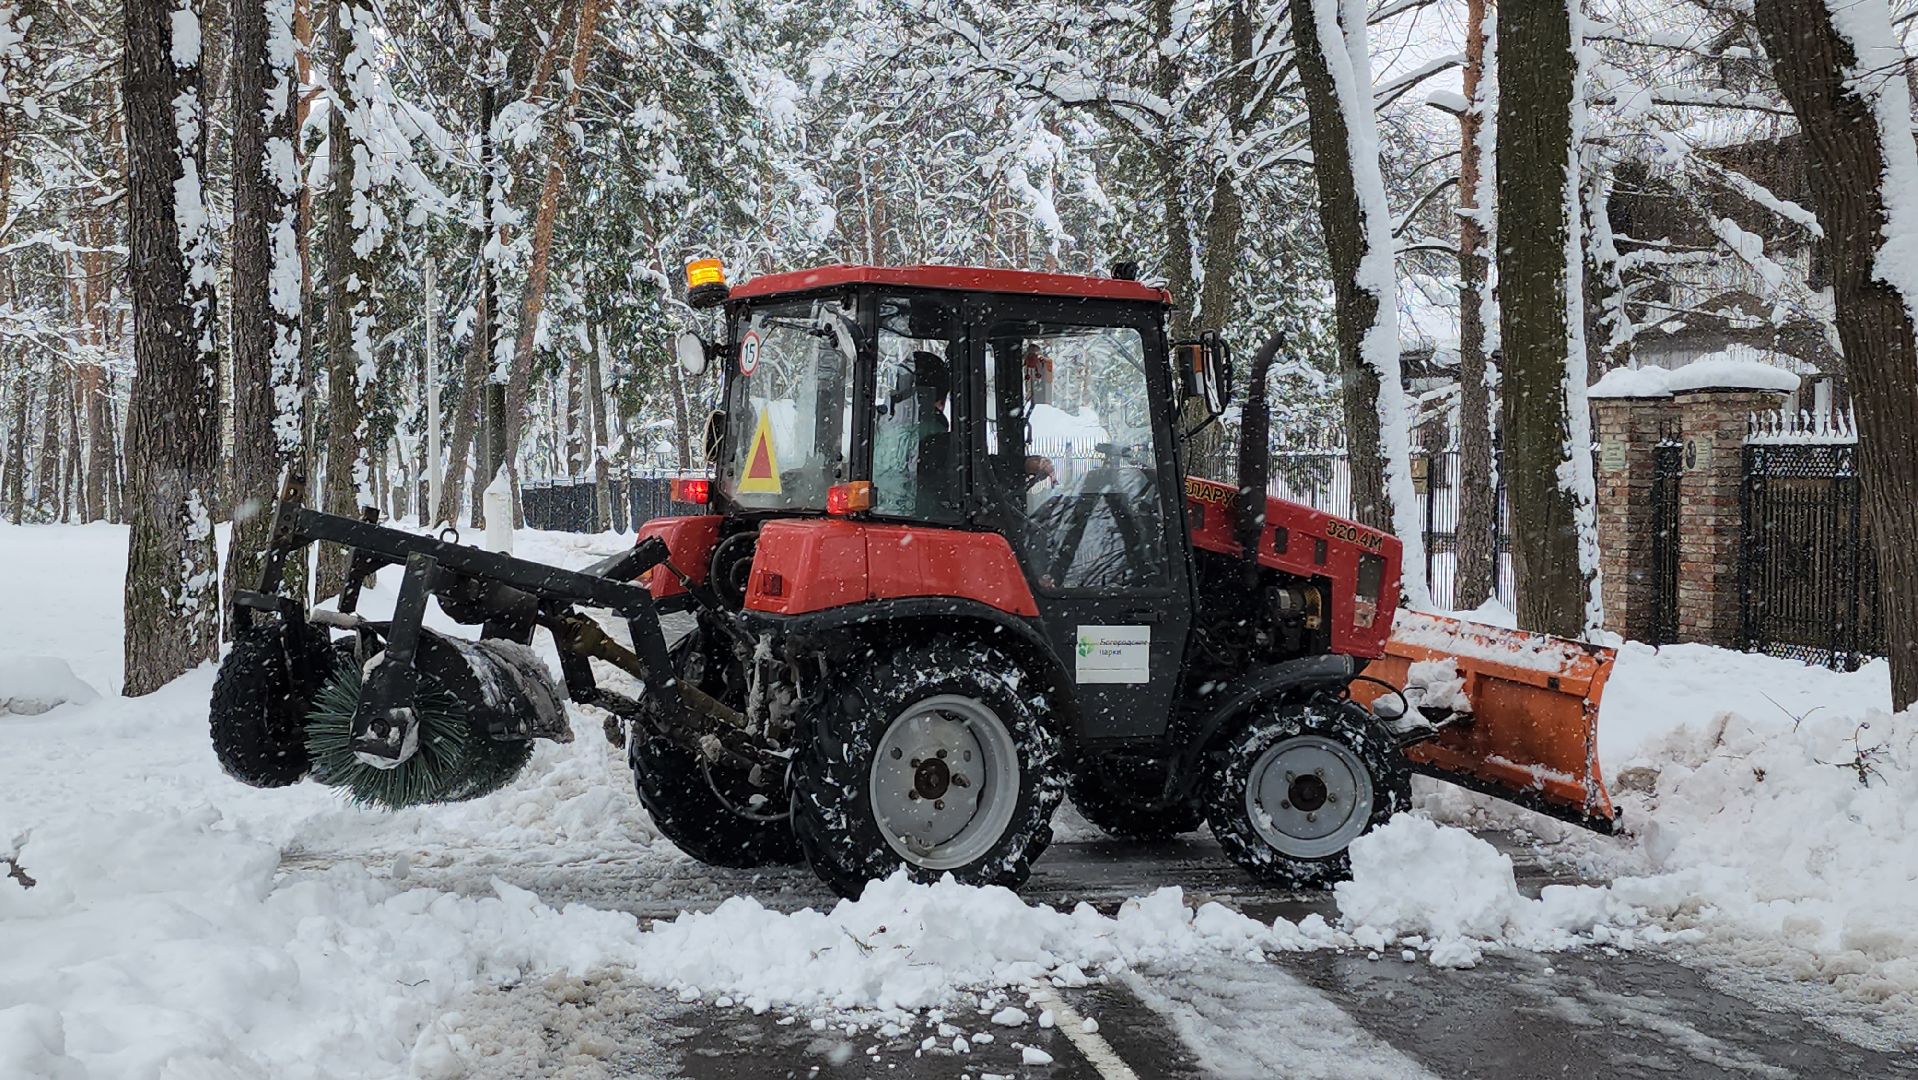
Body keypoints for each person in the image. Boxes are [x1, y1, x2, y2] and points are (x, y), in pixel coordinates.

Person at [873, 351, 952, 518]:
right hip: (929, 525)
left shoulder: (877, 434)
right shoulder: (941, 443)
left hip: (883, 518)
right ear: (941, 401)